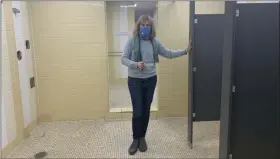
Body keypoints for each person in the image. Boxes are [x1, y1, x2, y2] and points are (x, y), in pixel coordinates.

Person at [121, 15, 192, 155]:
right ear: (138, 26)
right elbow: (123, 59)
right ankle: (135, 139)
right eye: (143, 25)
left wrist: (185, 51)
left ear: (151, 28)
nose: (145, 28)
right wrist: (135, 64)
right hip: (134, 80)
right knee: (138, 111)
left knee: (146, 110)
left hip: (150, 79)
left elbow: (168, 53)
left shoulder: (155, 43)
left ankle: (142, 137)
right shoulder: (131, 42)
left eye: (148, 25)